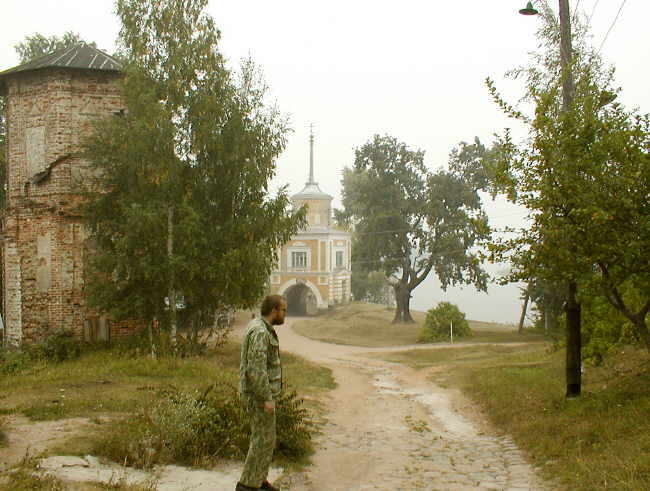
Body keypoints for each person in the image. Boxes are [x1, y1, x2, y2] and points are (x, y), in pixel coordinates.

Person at [236, 295, 287, 491]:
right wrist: (266, 398)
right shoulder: (259, 332)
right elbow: (256, 369)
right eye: (284, 310)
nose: (285, 314)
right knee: (260, 442)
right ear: (275, 310)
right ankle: (247, 486)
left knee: (266, 441)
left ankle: (260, 481)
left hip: (260, 395)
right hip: (259, 397)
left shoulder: (260, 326)